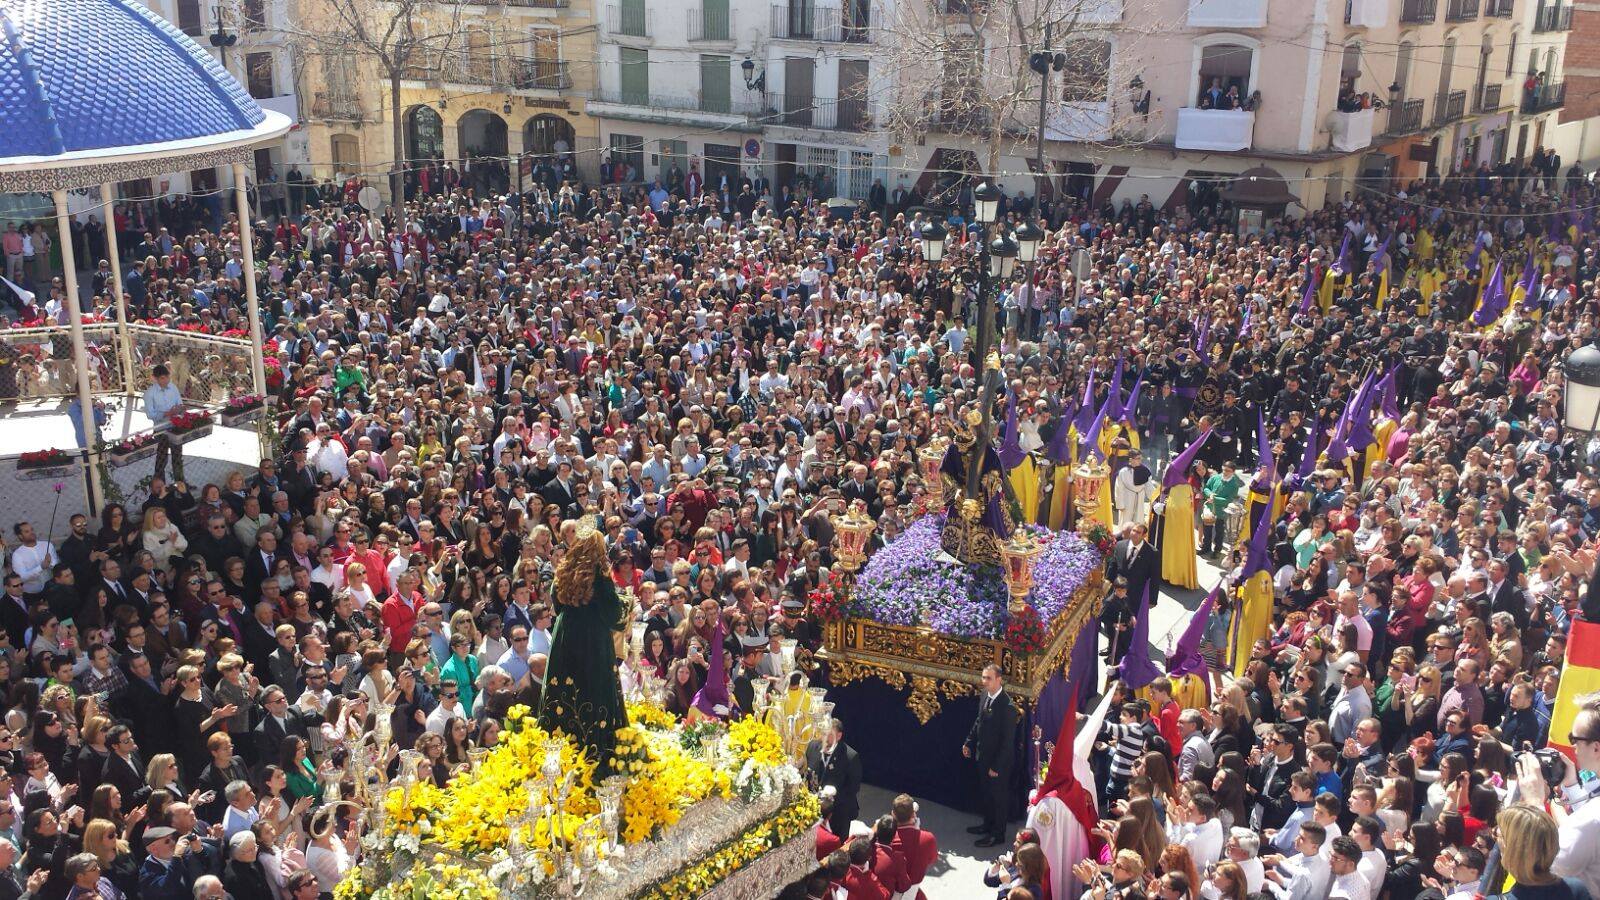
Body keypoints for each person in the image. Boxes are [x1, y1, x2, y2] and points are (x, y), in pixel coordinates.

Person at [535, 518, 628, 775]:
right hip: (593, 641)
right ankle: (598, 754)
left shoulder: (562, 574)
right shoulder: (600, 578)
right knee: (593, 691)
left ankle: (559, 748)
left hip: (566, 636)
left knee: (566, 689)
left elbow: (557, 604)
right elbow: (614, 616)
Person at [965, 663, 1019, 847]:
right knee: (987, 794)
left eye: (988, 678)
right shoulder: (984, 696)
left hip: (998, 764)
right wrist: (969, 741)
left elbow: (1007, 743)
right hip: (983, 757)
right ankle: (987, 825)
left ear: (999, 680)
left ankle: (998, 834)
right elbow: (978, 721)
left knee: (999, 798)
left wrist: (996, 767)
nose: (984, 681)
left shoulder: (1007, 707)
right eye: (983, 677)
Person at [805, 717, 863, 839]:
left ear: (839, 736)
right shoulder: (812, 746)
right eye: (823, 733)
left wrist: (829, 800)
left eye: (829, 734)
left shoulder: (850, 757)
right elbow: (808, 776)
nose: (824, 737)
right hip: (812, 811)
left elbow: (853, 788)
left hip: (838, 814)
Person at [144, 364, 185, 482]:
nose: (166, 380)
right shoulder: (149, 393)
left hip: (175, 427)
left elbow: (179, 403)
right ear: (155, 378)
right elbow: (150, 414)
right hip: (160, 429)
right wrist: (167, 414)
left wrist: (181, 410)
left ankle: (180, 483)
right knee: (162, 458)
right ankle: (159, 484)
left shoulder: (173, 387)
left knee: (177, 457)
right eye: (162, 378)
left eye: (167, 377)